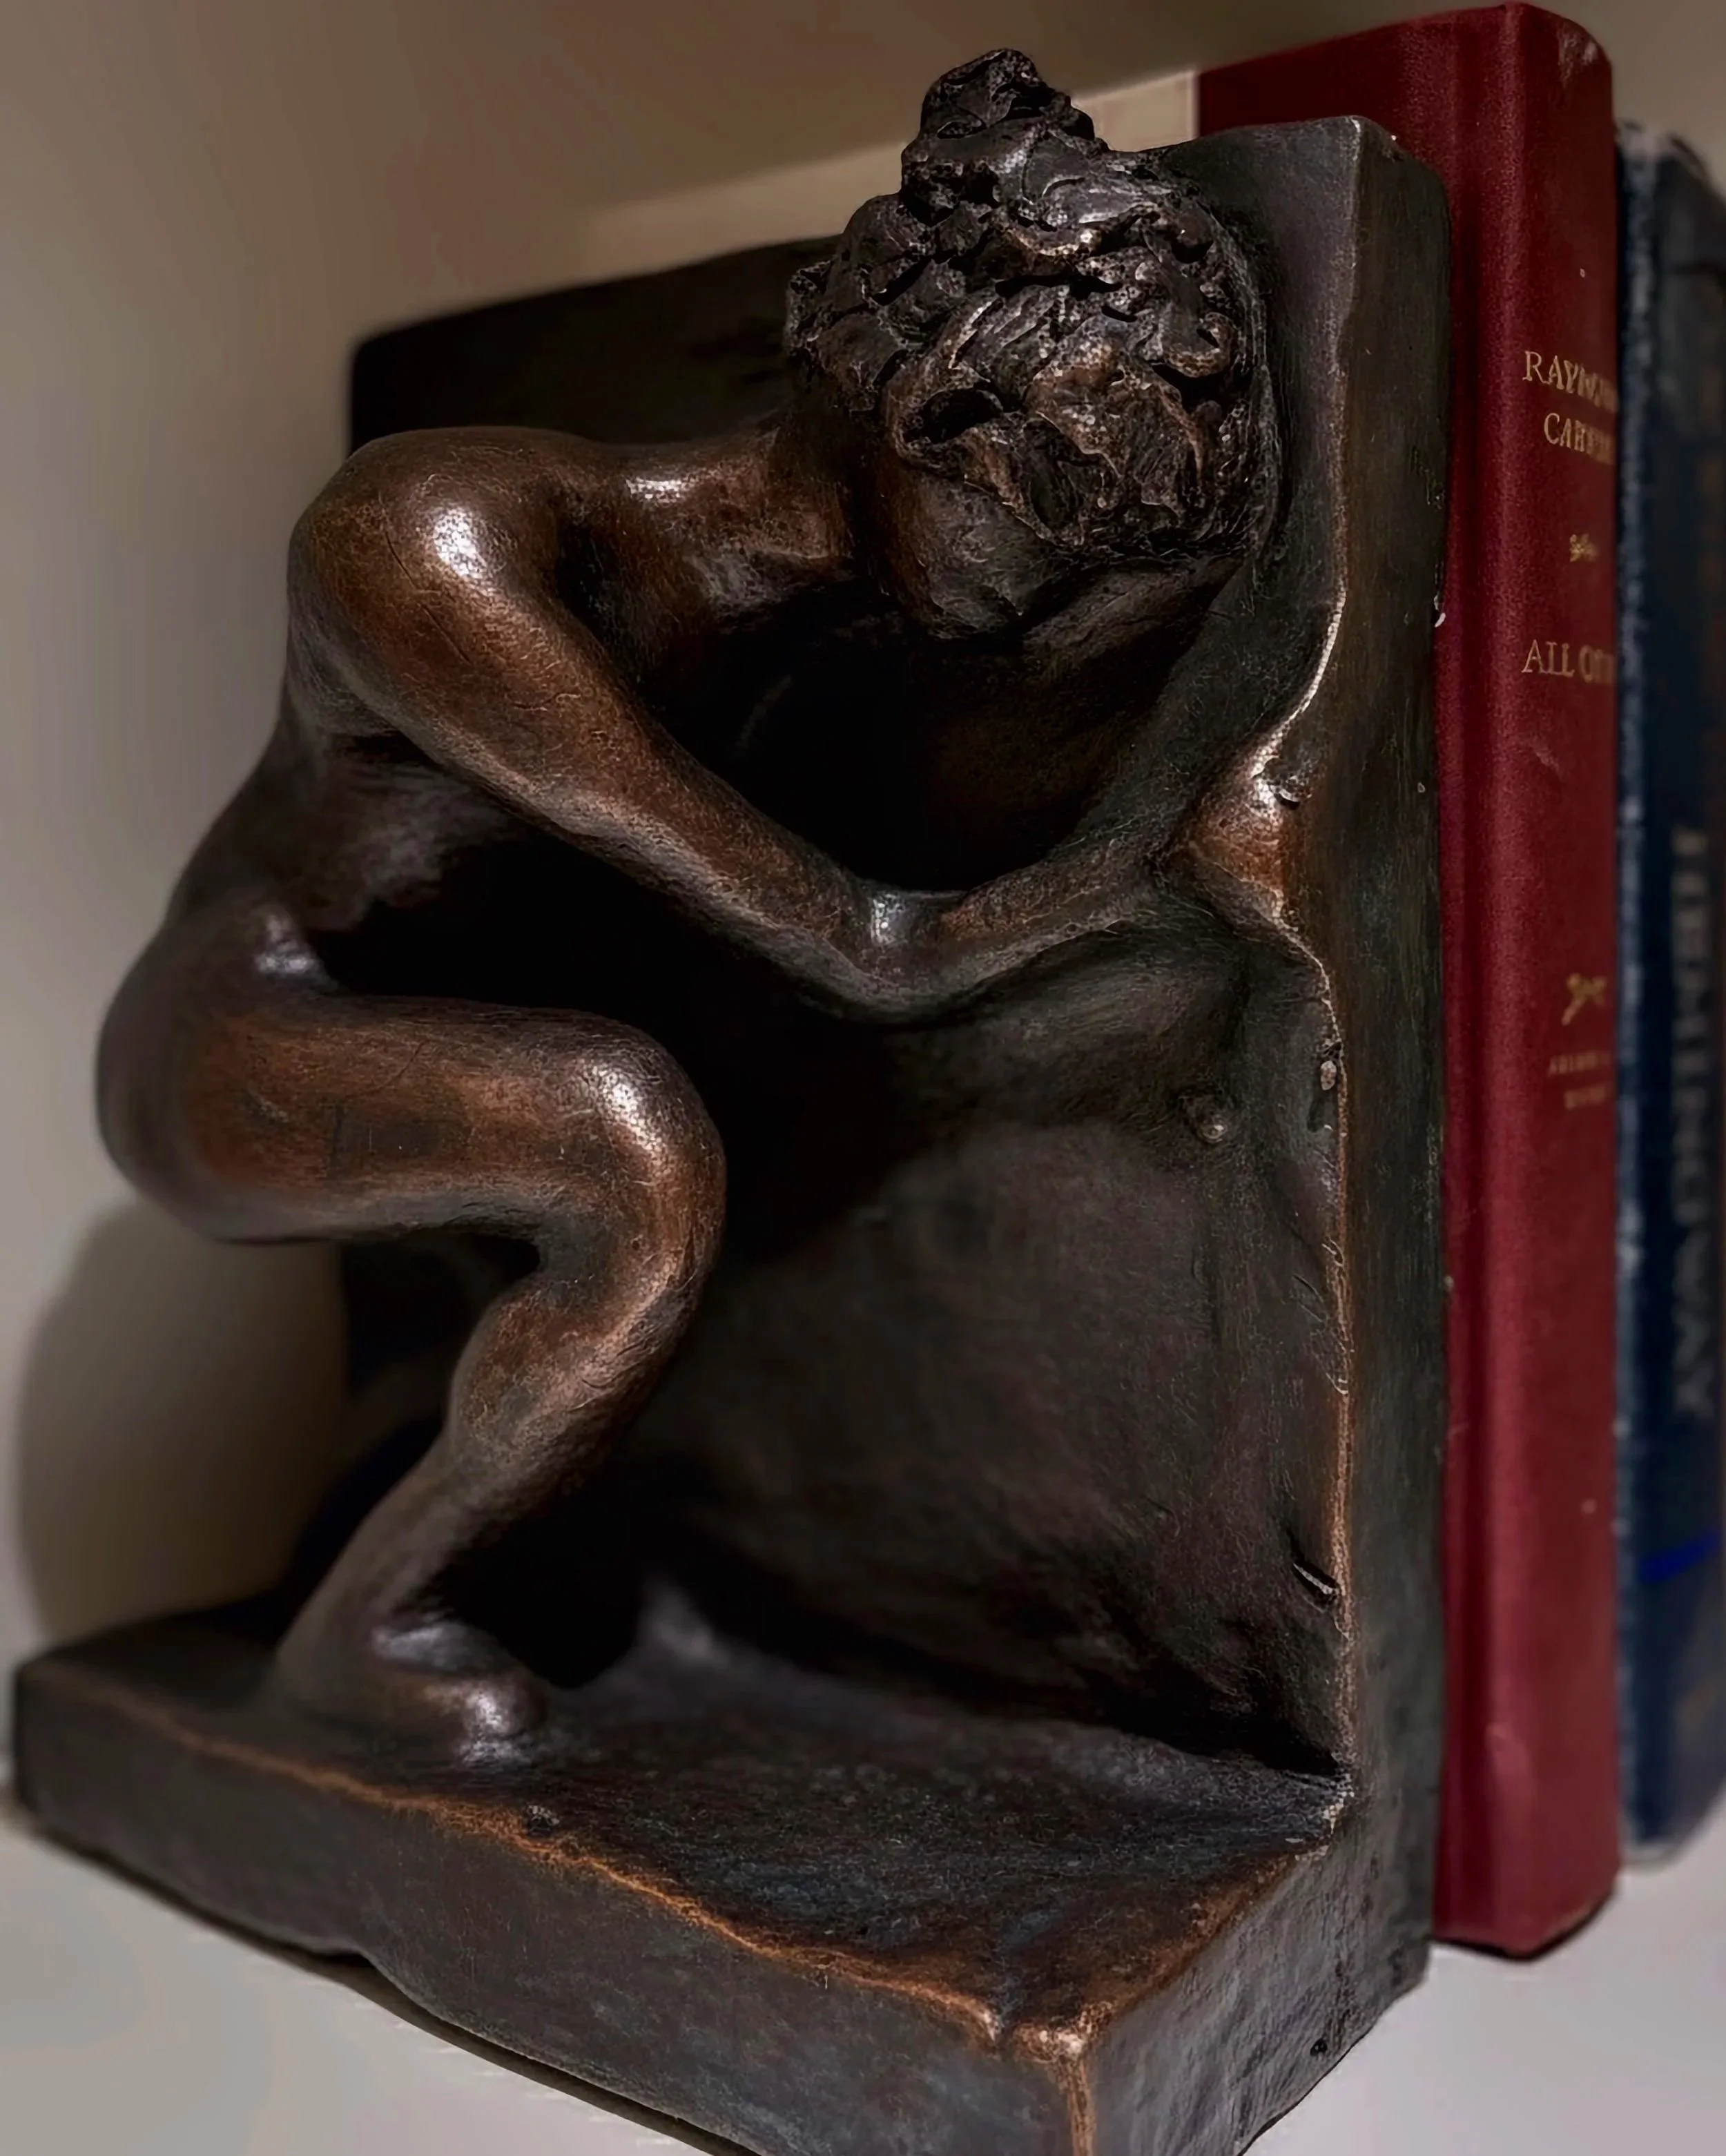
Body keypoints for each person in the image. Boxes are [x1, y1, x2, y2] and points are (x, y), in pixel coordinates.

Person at [98, 50, 1269, 1751]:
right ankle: (364, 1624)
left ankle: (439, 1517)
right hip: (231, 1045)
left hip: (446, 1023)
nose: (1045, 608)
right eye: (1047, 546)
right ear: (937, 433)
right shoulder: (433, 550)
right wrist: (1160, 874)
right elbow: (866, 945)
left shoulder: (797, 628)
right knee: (624, 1138)